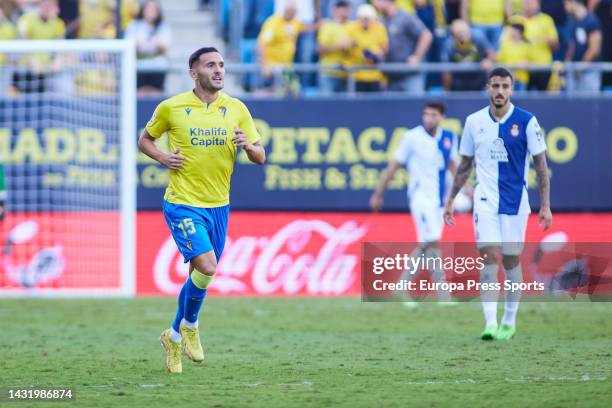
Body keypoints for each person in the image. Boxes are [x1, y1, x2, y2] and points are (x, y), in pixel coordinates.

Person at [138, 47, 266, 374]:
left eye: (221, 65)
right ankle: (190, 325)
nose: (219, 70)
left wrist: (249, 146)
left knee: (198, 275)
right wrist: (163, 158)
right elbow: (145, 140)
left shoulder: (236, 108)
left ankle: (172, 336)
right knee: (207, 266)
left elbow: (260, 156)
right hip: (183, 202)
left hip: (219, 206)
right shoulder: (172, 107)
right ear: (194, 73)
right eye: (211, 65)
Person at [444, 67, 552, 341]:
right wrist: (451, 199)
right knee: (489, 258)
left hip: (516, 202)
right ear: (488, 88)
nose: (500, 91)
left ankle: (509, 319)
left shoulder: (527, 121)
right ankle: (490, 323)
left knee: (512, 261)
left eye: (505, 86)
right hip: (484, 200)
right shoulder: (473, 121)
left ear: (512, 89)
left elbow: (541, 165)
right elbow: (465, 164)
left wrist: (545, 205)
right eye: (495, 86)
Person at [370, 101, 458, 303]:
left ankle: (401, 287)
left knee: (427, 243)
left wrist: (465, 189)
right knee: (433, 240)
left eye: (433, 115)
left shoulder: (449, 138)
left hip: (439, 199)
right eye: (426, 114)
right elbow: (393, 167)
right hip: (420, 197)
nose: (428, 118)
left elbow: (453, 166)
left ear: (442, 117)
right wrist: (378, 193)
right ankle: (443, 295)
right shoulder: (411, 137)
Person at [373, 0, 433, 93]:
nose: (375, 3)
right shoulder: (380, 21)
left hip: (410, 75)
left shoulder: (405, 17)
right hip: (391, 77)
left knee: (414, 105)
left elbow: (426, 35)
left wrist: (417, 57)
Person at [124, 0, 171, 95]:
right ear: (143, 10)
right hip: (138, 66)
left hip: (158, 66)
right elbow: (129, 44)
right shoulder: (134, 25)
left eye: (154, 9)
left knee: (156, 93)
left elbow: (166, 47)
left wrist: (159, 43)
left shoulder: (163, 26)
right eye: (149, 9)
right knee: (139, 92)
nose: (151, 11)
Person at [345, 3, 389, 92]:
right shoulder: (351, 28)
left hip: (375, 75)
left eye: (368, 19)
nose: (365, 21)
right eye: (363, 18)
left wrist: (375, 55)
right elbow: (345, 49)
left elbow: (384, 48)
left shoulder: (379, 28)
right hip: (357, 75)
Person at [441, 19, 494, 91]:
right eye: (457, 34)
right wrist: (447, 93)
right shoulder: (448, 44)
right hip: (458, 78)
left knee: (490, 68)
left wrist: (488, 60)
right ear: (453, 34)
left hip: (478, 74)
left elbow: (491, 52)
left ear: (468, 30)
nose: (461, 36)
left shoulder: (478, 36)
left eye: (463, 32)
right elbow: (446, 70)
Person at [565, 0, 602, 92]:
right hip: (574, 71)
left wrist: (581, 67)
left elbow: (594, 49)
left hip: (589, 71)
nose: (564, 7)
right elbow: (572, 45)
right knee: (573, 104)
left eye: (566, 3)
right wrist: (568, 62)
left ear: (573, 2)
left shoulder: (591, 21)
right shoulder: (572, 21)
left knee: (589, 103)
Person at [317, 0, 352, 93]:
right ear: (335, 10)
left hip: (346, 74)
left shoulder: (352, 26)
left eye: (346, 9)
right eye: (342, 8)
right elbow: (320, 49)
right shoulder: (327, 26)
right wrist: (339, 46)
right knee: (326, 105)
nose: (345, 11)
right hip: (329, 73)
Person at [497, 17, 530, 90]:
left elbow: (531, 60)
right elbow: (499, 60)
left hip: (522, 79)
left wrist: (526, 62)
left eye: (513, 29)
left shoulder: (527, 46)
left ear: (519, 32)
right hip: (507, 80)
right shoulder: (505, 45)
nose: (511, 31)